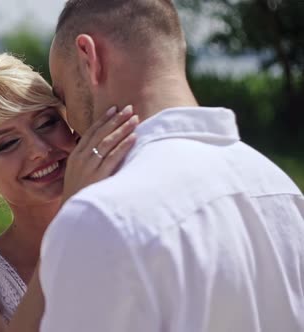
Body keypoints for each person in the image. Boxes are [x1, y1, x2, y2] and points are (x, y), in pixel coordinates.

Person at [20, 0, 304, 331]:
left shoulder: (101, 216)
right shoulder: (282, 191)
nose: (70, 126)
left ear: (88, 58)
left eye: (64, 97)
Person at [0, 52, 138, 331]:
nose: (40, 150)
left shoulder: (133, 229)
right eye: (7, 144)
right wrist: (68, 224)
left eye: (46, 123)